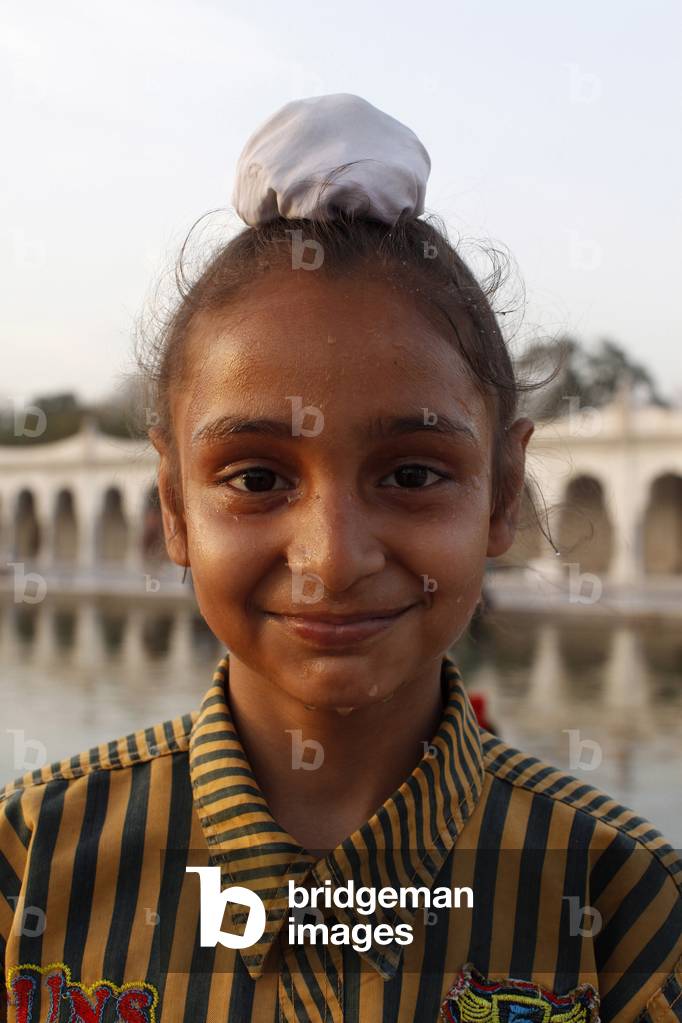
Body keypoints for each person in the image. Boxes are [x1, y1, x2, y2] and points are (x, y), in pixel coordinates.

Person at [1, 94, 680, 1023]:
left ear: (503, 492)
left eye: (410, 471)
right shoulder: (32, 864)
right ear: (172, 502)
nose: (331, 556)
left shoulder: (627, 909)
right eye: (254, 477)